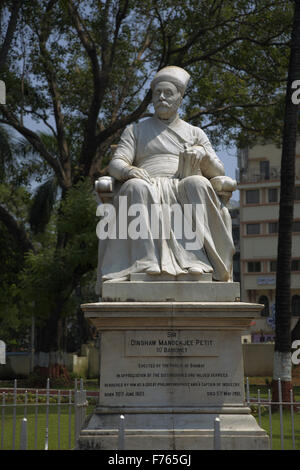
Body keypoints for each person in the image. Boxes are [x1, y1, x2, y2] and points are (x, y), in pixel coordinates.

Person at [96, 66, 235, 294]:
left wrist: (203, 155)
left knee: (198, 184)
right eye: (156, 93)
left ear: (180, 98)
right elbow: (116, 163)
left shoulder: (195, 133)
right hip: (146, 181)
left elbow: (218, 169)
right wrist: (129, 171)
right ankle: (144, 261)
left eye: (168, 93)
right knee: (135, 188)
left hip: (184, 183)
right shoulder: (135, 131)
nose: (161, 98)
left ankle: (195, 260)